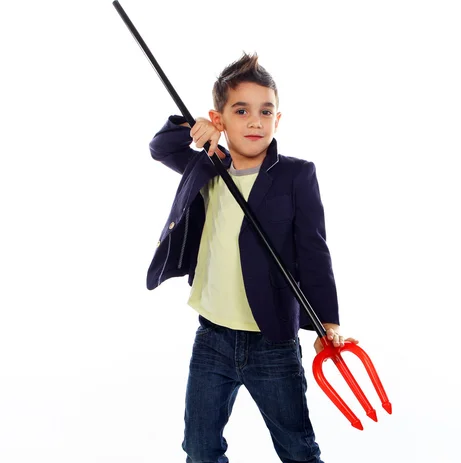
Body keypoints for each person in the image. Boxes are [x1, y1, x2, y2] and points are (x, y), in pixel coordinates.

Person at [147, 52, 358, 463]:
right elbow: (160, 147)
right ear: (220, 119)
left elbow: (314, 251)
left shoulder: (296, 175)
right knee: (201, 447)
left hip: (273, 342)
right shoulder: (207, 166)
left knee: (297, 447)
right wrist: (191, 129)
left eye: (266, 111)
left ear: (278, 119)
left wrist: (327, 322)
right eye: (241, 111)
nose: (255, 121)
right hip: (212, 338)